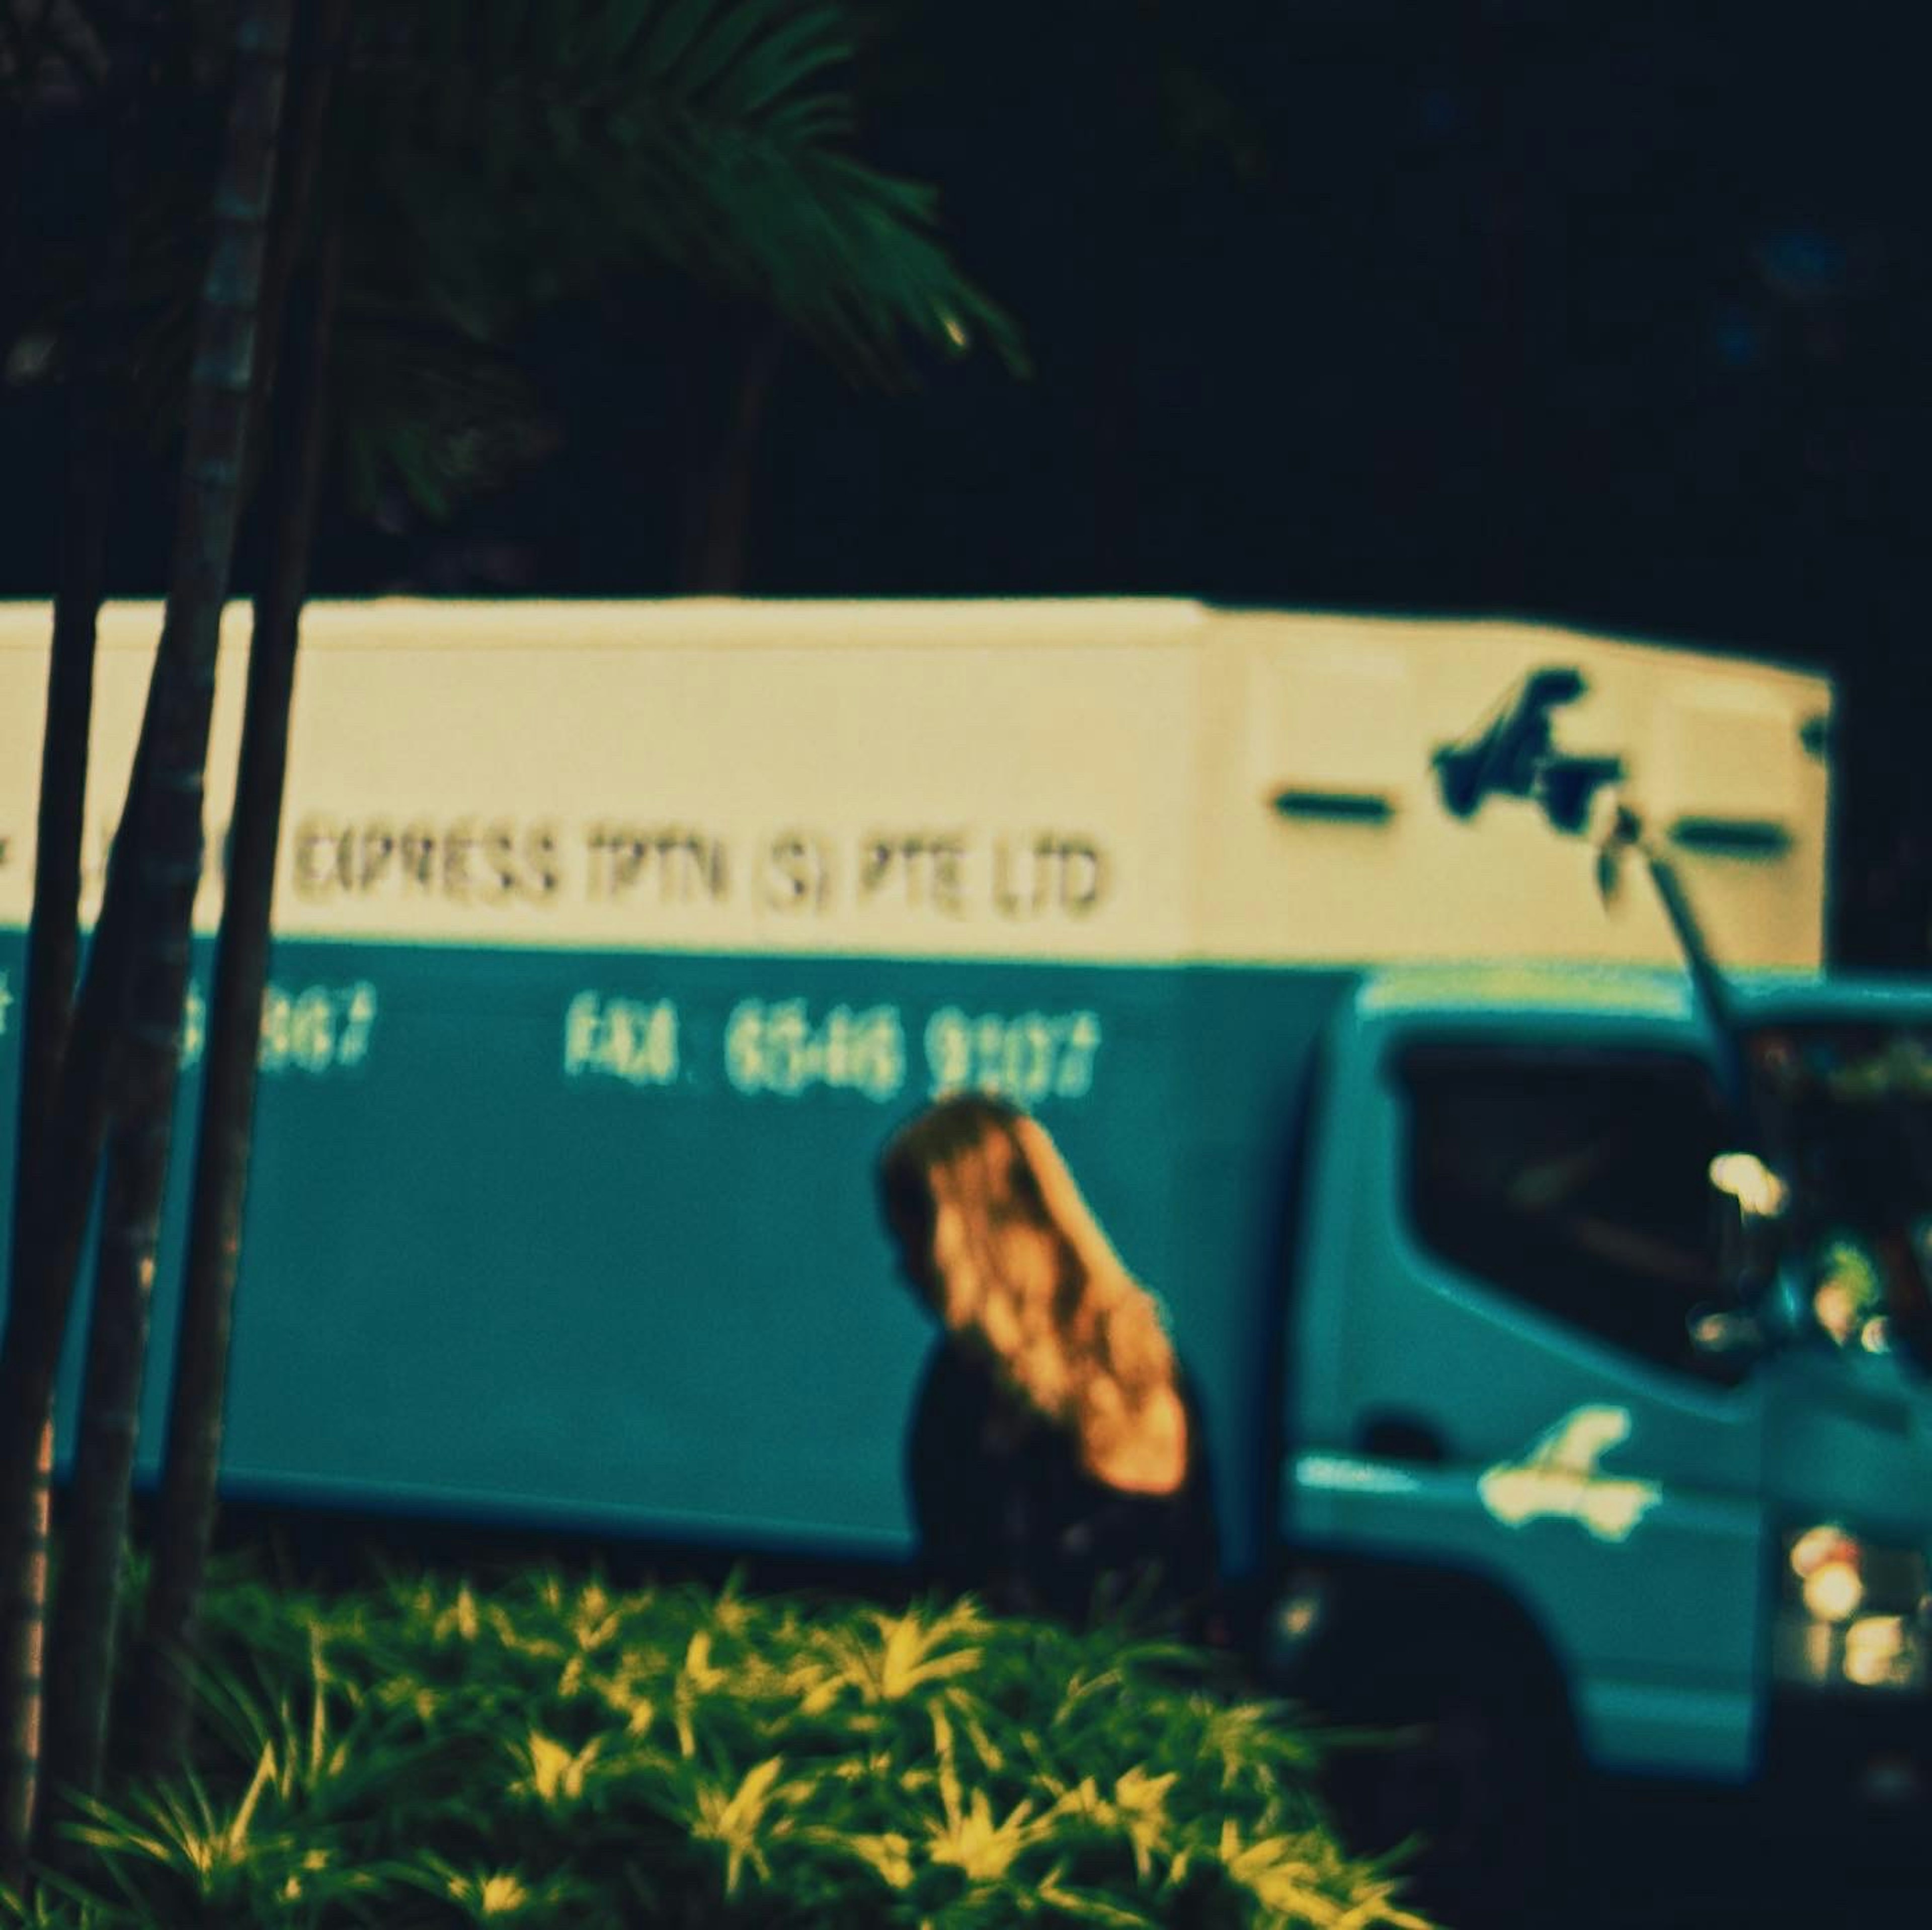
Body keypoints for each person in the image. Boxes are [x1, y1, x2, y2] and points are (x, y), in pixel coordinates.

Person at [877, 1093, 1221, 1637]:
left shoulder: (972, 1385)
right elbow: (1194, 1575)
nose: (904, 1271)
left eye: (908, 1241)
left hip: (1027, 1708)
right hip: (1158, 1709)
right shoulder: (1153, 1362)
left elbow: (968, 1593)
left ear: (950, 1235)